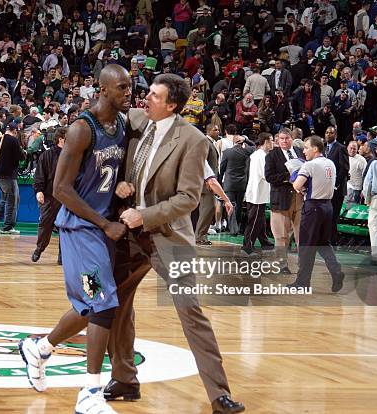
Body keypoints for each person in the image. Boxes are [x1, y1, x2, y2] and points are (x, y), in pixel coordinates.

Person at [106, 74, 244, 414]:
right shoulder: (136, 120)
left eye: (154, 96)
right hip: (129, 234)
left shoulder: (194, 140)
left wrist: (145, 215)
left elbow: (187, 199)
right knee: (117, 305)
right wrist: (123, 185)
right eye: (148, 92)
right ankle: (124, 377)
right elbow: (126, 165)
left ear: (172, 105)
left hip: (168, 235)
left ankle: (219, 394)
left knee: (189, 310)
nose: (145, 99)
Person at [18, 65, 131, 414]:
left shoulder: (122, 125)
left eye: (131, 87)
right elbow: (60, 189)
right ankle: (91, 393)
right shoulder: (83, 129)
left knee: (88, 307)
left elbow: (109, 173)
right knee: (104, 303)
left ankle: (40, 349)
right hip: (82, 230)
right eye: (123, 88)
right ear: (103, 89)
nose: (129, 93)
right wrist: (103, 222)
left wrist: (122, 187)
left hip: (102, 228)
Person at [288, 135, 344, 292]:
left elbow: (297, 186)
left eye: (306, 148)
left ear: (315, 148)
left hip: (313, 207)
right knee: (323, 243)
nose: (304, 151)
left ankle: (302, 282)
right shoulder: (330, 164)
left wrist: (294, 177)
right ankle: (336, 271)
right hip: (328, 207)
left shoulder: (309, 165)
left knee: (306, 246)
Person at [264, 128, 304, 273]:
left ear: (291, 139)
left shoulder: (300, 152)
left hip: (299, 198)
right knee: (281, 236)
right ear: (277, 140)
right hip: (280, 199)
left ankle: (303, 266)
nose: (284, 141)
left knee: (301, 235)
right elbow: (269, 177)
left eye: (287, 138)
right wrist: (288, 176)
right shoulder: (271, 155)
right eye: (281, 139)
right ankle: (282, 265)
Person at [31, 127, 66, 264]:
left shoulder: (73, 155)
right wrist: (38, 190)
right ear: (61, 139)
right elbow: (39, 175)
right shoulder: (47, 155)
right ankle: (39, 249)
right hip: (50, 196)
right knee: (45, 224)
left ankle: (62, 255)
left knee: (66, 227)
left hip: (68, 198)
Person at [0, 121, 25, 235]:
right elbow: (21, 156)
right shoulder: (13, 140)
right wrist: (24, 152)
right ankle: (7, 226)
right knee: (12, 200)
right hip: (8, 175)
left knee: (7, 198)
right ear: (15, 131)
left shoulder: (0, 140)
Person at [242, 133, 274, 255]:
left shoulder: (261, 155)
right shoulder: (260, 156)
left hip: (259, 192)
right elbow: (266, 175)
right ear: (265, 141)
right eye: (271, 140)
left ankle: (265, 242)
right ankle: (247, 246)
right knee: (254, 221)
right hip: (257, 194)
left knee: (260, 220)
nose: (273, 143)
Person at [323, 126, 349, 246]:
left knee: (333, 217)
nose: (328, 135)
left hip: (337, 189)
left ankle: (332, 242)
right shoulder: (323, 148)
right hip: (324, 189)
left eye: (331, 133)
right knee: (325, 216)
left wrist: (334, 183)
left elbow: (344, 168)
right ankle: (323, 240)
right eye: (327, 133)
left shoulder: (341, 148)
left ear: (336, 135)